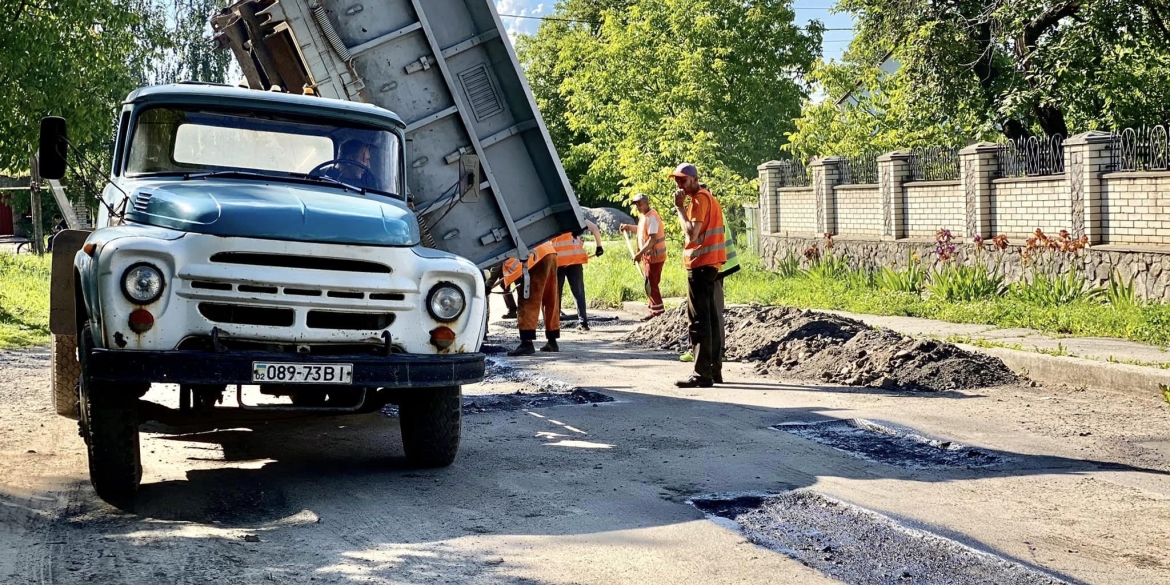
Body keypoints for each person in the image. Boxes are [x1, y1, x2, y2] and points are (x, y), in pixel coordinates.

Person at [669, 163, 726, 388]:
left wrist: (680, 208)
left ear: (694, 179)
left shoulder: (698, 201)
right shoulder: (709, 198)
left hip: (700, 264)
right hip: (710, 265)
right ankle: (713, 370)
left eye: (683, 180)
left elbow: (692, 233)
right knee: (710, 318)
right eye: (676, 180)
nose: (678, 184)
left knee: (699, 320)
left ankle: (702, 374)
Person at [502, 240, 560, 355]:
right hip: (549, 252)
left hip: (534, 257)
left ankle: (527, 343)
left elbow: (496, 270)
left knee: (528, 299)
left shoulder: (499, 250)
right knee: (550, 298)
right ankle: (552, 341)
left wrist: (488, 285)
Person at [621, 193, 667, 320]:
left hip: (655, 257)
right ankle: (654, 309)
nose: (638, 207)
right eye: (636, 205)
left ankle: (658, 313)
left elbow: (652, 239)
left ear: (647, 203)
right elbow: (642, 230)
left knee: (652, 285)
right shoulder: (645, 217)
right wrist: (629, 227)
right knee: (650, 283)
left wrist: (639, 254)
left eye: (640, 204)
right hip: (649, 257)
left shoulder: (652, 217)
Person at [552, 220, 604, 331]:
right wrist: (599, 246)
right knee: (579, 292)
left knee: (555, 293)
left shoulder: (552, 218)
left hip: (557, 261)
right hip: (574, 260)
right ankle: (583, 323)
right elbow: (594, 227)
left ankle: (554, 325)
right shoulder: (575, 217)